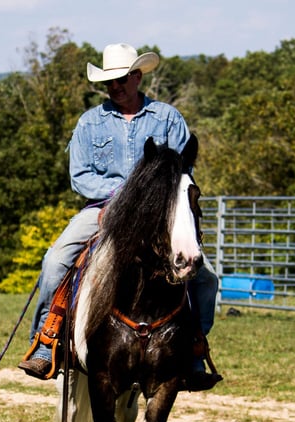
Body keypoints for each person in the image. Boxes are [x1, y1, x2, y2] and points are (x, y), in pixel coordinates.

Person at [18, 43, 221, 390]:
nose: (115, 86)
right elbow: (79, 176)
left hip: (160, 214)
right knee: (55, 261)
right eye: (110, 81)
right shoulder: (90, 122)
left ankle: (194, 348)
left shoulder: (168, 119)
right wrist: (121, 198)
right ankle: (46, 339)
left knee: (206, 277)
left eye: (122, 79)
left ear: (138, 76)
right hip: (102, 208)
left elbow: (183, 170)